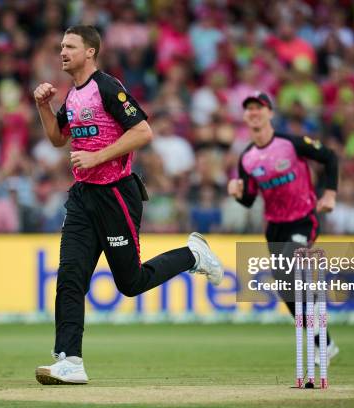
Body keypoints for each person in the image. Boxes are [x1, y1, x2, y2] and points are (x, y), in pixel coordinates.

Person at [33, 25, 223, 385]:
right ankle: (70, 359)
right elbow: (58, 139)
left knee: (130, 282)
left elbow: (142, 132)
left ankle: (193, 255)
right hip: (82, 196)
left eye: (70, 46)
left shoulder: (107, 87)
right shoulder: (72, 97)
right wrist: (44, 106)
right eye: (61, 46)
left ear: (90, 52)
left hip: (116, 193)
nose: (62, 51)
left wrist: (97, 157)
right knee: (70, 276)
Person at [227, 92, 339, 364]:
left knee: (291, 265)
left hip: (303, 218)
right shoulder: (247, 158)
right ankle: (323, 342)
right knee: (285, 286)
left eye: (259, 108)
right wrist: (236, 192)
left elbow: (330, 157)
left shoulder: (291, 143)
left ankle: (321, 340)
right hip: (274, 225)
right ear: (244, 117)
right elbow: (250, 198)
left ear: (270, 113)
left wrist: (330, 194)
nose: (253, 113)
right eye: (249, 109)